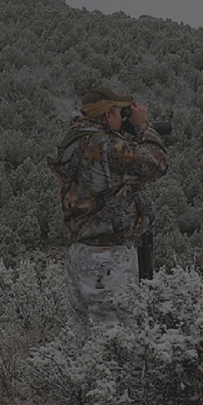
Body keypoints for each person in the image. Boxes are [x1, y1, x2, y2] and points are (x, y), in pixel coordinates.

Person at [49, 86, 169, 329]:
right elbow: (156, 163)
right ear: (107, 116)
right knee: (115, 337)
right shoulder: (103, 146)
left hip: (82, 252)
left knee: (81, 336)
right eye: (119, 112)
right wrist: (143, 126)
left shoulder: (76, 140)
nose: (122, 117)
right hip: (107, 259)